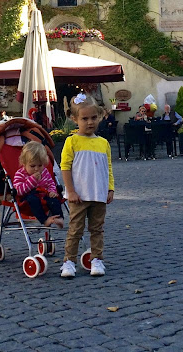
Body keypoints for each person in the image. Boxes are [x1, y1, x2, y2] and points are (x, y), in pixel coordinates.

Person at [60, 93, 114, 278]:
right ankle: (69, 261)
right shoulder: (72, 141)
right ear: (75, 119)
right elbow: (65, 167)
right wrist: (70, 191)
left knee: (97, 229)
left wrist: (110, 188)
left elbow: (108, 168)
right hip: (79, 195)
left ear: (99, 116)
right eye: (85, 119)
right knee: (75, 229)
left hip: (99, 194)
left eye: (93, 117)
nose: (90, 122)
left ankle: (97, 259)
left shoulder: (103, 143)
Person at [13, 141, 64, 228]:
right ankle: (45, 220)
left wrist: (52, 191)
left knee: (54, 199)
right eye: (32, 166)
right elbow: (19, 191)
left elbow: (50, 183)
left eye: (40, 165)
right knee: (33, 199)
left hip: (44, 196)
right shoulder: (20, 174)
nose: (36, 169)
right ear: (24, 164)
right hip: (28, 199)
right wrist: (32, 180)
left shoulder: (44, 172)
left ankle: (59, 218)